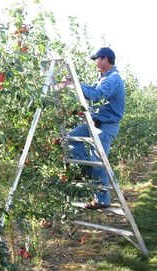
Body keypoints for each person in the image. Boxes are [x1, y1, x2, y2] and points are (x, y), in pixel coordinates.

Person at [63, 47, 125, 210]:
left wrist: (73, 86)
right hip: (95, 122)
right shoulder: (104, 77)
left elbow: (96, 95)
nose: (95, 63)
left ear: (105, 59)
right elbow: (91, 89)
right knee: (71, 138)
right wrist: (74, 83)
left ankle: (102, 199)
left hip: (106, 126)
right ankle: (91, 173)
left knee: (97, 161)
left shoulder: (113, 79)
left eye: (97, 59)